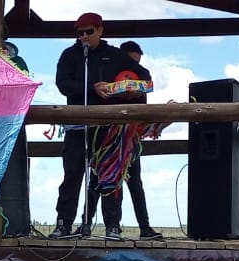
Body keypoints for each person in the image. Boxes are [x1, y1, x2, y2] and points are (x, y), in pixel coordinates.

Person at [51, 13, 145, 240]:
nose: (84, 36)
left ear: (100, 30)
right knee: (72, 174)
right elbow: (62, 84)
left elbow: (144, 78)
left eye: (89, 31)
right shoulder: (70, 55)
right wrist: (92, 87)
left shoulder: (116, 55)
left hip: (109, 128)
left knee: (110, 176)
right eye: (80, 33)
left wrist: (129, 91)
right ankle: (63, 224)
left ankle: (112, 226)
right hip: (77, 126)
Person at [117, 41, 162, 240]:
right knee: (100, 182)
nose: (135, 65)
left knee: (135, 183)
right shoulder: (110, 72)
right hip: (108, 139)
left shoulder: (142, 74)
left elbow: (146, 90)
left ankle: (145, 227)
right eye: (131, 61)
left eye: (137, 62)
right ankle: (104, 226)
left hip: (131, 139)